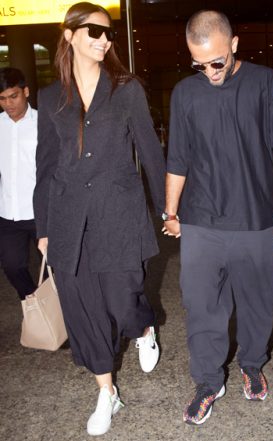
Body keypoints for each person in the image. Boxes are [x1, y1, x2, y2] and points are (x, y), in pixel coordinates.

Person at [163, 10, 273, 425]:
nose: (209, 72)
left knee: (257, 304)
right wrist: (171, 211)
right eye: (198, 64)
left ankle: (251, 364)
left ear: (233, 45)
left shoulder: (265, 84)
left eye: (217, 62)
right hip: (201, 220)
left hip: (256, 217)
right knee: (201, 306)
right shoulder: (184, 93)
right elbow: (178, 158)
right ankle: (208, 383)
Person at [33, 2, 164, 436]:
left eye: (108, 33)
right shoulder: (51, 97)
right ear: (69, 35)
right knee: (85, 313)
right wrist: (44, 229)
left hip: (119, 214)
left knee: (122, 305)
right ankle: (107, 393)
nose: (104, 39)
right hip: (69, 221)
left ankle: (143, 326)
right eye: (94, 31)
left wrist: (168, 207)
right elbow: (46, 168)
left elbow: (149, 150)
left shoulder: (126, 89)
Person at [0, 67, 37, 301]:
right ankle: (35, 305)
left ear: (26, 92)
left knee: (56, 270)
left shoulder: (44, 124)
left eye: (13, 96)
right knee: (12, 267)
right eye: (2, 99)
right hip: (8, 213)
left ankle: (68, 320)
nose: (8, 104)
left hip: (41, 212)